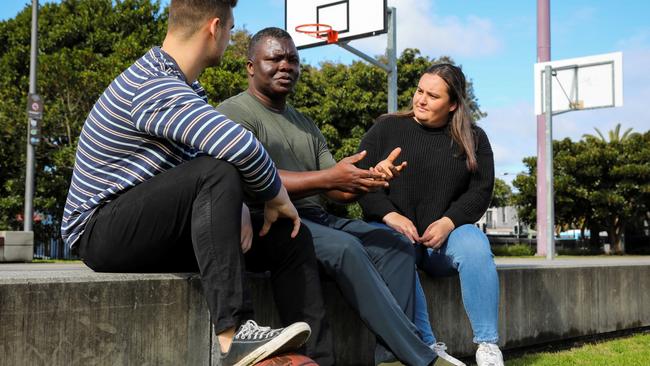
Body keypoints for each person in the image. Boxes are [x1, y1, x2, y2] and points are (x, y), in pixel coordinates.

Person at [60, 1, 328, 365]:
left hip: (157, 229)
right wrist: (276, 194)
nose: (231, 38)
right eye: (232, 30)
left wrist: (236, 208)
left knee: (288, 236)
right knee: (217, 170)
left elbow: (199, 168)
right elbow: (238, 146)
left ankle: (312, 359)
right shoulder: (152, 83)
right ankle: (235, 335)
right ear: (214, 28)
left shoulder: (187, 89)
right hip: (99, 231)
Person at [216, 27, 465, 366]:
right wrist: (329, 177)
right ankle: (421, 356)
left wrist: (366, 180)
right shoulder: (234, 113)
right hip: (271, 221)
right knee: (346, 248)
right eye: (274, 59)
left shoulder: (304, 122)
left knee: (395, 243)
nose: (286, 66)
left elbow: (334, 188)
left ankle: (391, 357)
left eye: (292, 59)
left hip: (317, 217)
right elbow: (250, 176)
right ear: (250, 66)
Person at [357, 63, 504, 366]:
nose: (421, 100)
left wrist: (449, 222)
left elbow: (480, 192)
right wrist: (388, 215)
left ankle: (488, 347)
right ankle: (426, 345)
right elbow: (359, 180)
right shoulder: (386, 127)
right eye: (419, 91)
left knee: (475, 244)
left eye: (432, 96)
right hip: (398, 236)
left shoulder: (474, 139)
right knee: (395, 248)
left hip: (444, 241)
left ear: (452, 105)